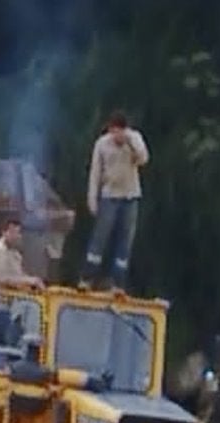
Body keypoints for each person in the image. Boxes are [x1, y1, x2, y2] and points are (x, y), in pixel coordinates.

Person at [81, 110, 149, 291]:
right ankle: (87, 277)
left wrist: (131, 143)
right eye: (115, 131)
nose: (118, 135)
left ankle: (117, 282)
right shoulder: (102, 144)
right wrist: (92, 199)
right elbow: (95, 172)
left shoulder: (134, 139)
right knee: (100, 237)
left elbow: (143, 159)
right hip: (109, 195)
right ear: (111, 129)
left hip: (130, 196)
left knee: (125, 240)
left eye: (122, 131)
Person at [0, 219, 43, 346]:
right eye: (14, 233)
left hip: (14, 305)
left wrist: (31, 283)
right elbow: (5, 278)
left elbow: (19, 275)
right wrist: (31, 280)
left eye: (19, 233)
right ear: (4, 232)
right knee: (7, 341)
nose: (18, 236)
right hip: (0, 305)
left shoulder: (14, 252)